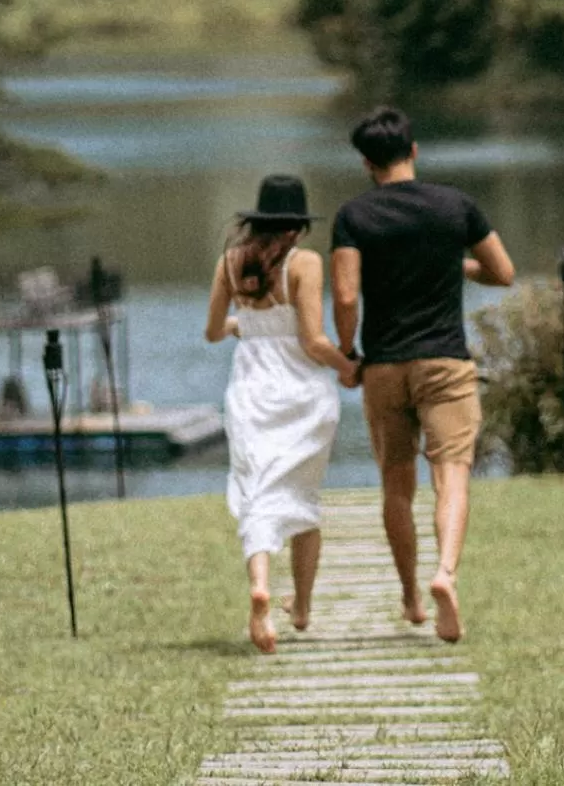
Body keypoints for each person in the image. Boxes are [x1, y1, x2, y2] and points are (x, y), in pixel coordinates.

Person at [331, 106, 516, 643]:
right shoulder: (456, 205)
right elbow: (503, 272)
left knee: (396, 482)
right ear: (413, 151)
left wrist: (348, 353)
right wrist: (454, 264)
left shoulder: (353, 216)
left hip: (385, 364)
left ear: (366, 163)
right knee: (451, 472)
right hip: (445, 362)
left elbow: (346, 294)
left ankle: (411, 596)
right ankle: (446, 574)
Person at [206, 173, 360, 654]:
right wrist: (349, 367)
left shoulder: (231, 263)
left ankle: (260, 587)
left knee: (257, 492)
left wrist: (246, 326)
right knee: (301, 496)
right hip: (302, 396)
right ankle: (303, 607)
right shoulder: (304, 263)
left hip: (251, 391)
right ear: (297, 226)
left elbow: (213, 331)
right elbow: (313, 340)